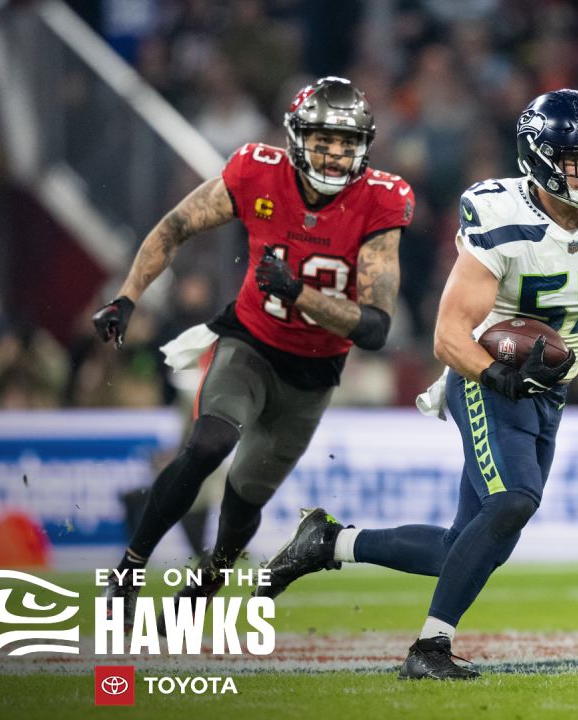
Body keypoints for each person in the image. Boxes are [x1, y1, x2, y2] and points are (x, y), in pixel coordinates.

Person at [256, 89, 578, 680]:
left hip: (548, 387)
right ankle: (428, 648)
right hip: (483, 373)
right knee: (515, 500)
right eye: (575, 161)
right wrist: (499, 378)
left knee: (470, 543)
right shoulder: (503, 218)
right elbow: (447, 336)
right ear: (538, 159)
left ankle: (328, 543)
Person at [92, 77, 413, 621]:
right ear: (296, 139)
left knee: (245, 499)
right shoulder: (256, 171)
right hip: (251, 341)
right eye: (322, 142)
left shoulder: (382, 201)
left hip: (313, 372)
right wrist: (127, 296)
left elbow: (377, 327)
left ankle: (210, 578)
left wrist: (299, 293)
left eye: (345, 145)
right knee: (207, 443)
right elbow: (175, 227)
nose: (334, 157)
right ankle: (129, 568)